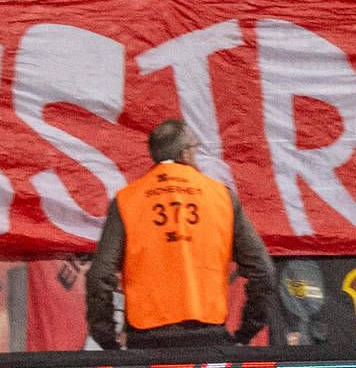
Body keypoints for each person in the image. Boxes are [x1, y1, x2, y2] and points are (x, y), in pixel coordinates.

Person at [83, 117, 276, 351]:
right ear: (185, 154)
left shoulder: (126, 200)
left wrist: (106, 339)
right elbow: (263, 270)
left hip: (146, 341)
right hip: (209, 338)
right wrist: (247, 330)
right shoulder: (221, 197)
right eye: (196, 149)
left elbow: (99, 275)